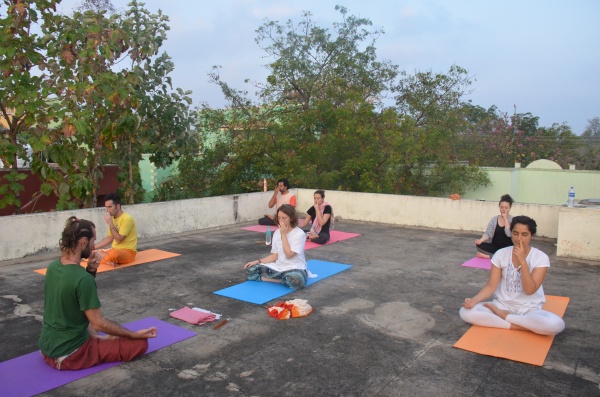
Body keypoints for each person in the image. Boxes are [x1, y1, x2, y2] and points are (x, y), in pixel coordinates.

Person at [39, 216, 157, 370]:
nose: (94, 246)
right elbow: (97, 322)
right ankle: (97, 342)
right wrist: (133, 335)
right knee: (139, 344)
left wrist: (91, 270)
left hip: (47, 348)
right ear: (83, 242)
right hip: (70, 355)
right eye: (93, 241)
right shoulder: (82, 279)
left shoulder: (53, 267)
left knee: (92, 322)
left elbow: (75, 297)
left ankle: (96, 339)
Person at [459, 216, 565, 336]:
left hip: (529, 309)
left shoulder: (540, 257)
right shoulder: (501, 254)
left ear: (531, 235)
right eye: (515, 233)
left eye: (524, 234)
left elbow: (529, 290)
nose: (519, 239)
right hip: (502, 305)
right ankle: (521, 326)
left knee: (556, 324)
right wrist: (474, 300)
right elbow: (491, 286)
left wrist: (522, 261)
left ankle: (507, 318)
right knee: (465, 312)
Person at [245, 204, 308, 290]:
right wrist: (257, 261)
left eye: (284, 218)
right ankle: (281, 280)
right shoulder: (277, 232)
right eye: (279, 218)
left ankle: (277, 279)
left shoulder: (299, 234)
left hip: (294, 268)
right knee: (250, 270)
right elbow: (274, 256)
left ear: (291, 218)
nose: (280, 221)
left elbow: (289, 255)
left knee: (297, 281)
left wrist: (284, 235)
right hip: (278, 267)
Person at [94, 192, 138, 266]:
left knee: (115, 254)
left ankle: (105, 258)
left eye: (110, 207)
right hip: (113, 249)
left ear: (118, 206)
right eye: (106, 207)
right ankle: (109, 261)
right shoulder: (113, 218)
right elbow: (110, 237)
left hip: (127, 252)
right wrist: (93, 247)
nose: (107, 210)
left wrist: (110, 224)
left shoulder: (127, 219)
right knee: (89, 253)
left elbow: (119, 239)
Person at [474, 194, 514, 259]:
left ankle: (489, 256)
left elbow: (509, 234)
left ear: (510, 208)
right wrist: (480, 240)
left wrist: (506, 220)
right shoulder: (494, 219)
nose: (504, 209)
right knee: (479, 245)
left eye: (506, 208)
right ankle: (497, 256)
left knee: (512, 253)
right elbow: (488, 233)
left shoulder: (513, 220)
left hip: (508, 248)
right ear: (499, 207)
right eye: (502, 207)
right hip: (495, 246)